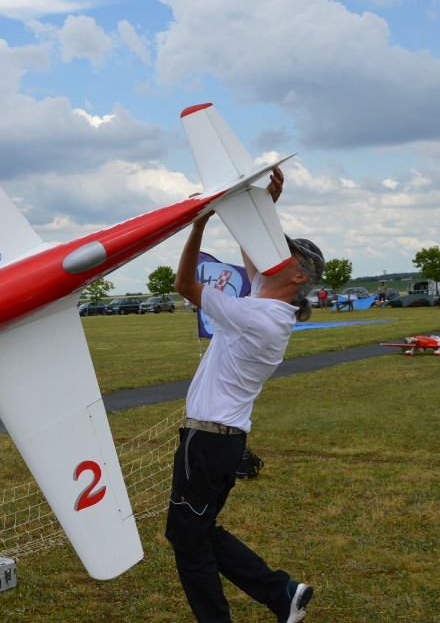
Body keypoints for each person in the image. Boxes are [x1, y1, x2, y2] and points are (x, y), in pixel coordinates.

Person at [167, 166, 320, 623]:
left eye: (287, 253)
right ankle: (282, 593)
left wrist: (198, 224)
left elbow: (185, 286)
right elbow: (253, 254)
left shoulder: (263, 316)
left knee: (187, 538)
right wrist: (262, 210)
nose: (275, 254)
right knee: (196, 530)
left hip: (209, 437)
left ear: (298, 277)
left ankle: (239, 611)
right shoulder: (265, 301)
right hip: (219, 438)